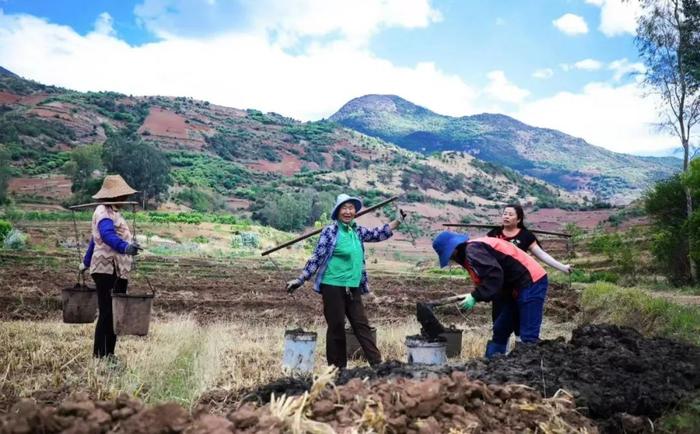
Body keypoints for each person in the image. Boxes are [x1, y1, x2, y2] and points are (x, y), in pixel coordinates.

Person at [286, 194, 405, 369]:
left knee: (361, 325)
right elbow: (317, 257)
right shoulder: (331, 231)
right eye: (344, 208)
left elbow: (378, 234)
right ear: (337, 212)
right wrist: (301, 279)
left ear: (355, 212)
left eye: (351, 208)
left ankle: (378, 365)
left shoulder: (357, 230)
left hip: (353, 286)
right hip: (333, 286)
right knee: (336, 327)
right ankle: (337, 369)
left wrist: (398, 221)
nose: (348, 211)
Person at [432, 231, 548, 358]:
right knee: (500, 329)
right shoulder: (470, 252)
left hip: (531, 281)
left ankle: (531, 371)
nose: (450, 259)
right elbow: (492, 279)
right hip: (514, 287)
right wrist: (478, 294)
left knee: (528, 335)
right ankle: (491, 365)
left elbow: (494, 276)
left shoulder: (473, 250)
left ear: (454, 248)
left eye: (448, 254)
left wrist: (475, 296)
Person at [80, 175, 140, 359]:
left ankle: (109, 354)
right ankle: (100, 355)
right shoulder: (103, 212)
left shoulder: (112, 212)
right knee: (108, 312)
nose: (125, 199)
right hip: (107, 270)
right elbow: (105, 235)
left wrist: (86, 261)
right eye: (123, 196)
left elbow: (94, 240)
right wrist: (125, 247)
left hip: (116, 269)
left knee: (114, 313)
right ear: (116, 196)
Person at [487, 204, 572, 274]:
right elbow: (481, 250)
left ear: (518, 219)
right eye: (505, 214)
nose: (506, 217)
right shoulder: (494, 233)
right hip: (496, 275)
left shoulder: (526, 236)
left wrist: (562, 267)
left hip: (517, 276)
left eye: (510, 215)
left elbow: (543, 256)